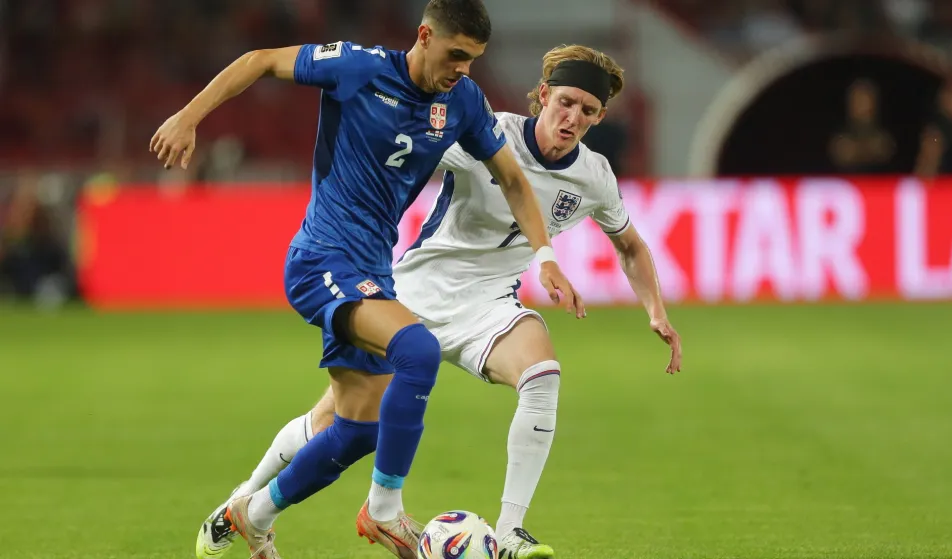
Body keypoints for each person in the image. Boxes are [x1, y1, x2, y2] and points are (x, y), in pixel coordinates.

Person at [195, 44, 681, 559]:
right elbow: (406, 142)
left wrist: (657, 311)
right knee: (337, 424)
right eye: (565, 102)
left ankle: (511, 532)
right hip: (411, 293)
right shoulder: (487, 131)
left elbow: (630, 245)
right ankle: (238, 505)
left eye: (587, 110)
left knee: (543, 377)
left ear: (600, 117)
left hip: (488, 306)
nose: (572, 117)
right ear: (543, 96)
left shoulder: (594, 176)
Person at [151, 1, 584, 558]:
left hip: (375, 271)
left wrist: (545, 253)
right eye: (455, 55)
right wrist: (189, 117)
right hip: (322, 258)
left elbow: (514, 182)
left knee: (357, 429)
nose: (463, 69)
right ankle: (385, 510)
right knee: (419, 352)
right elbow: (259, 60)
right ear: (424, 36)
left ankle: (252, 513)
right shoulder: (358, 68)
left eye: (474, 60)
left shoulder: (464, 102)